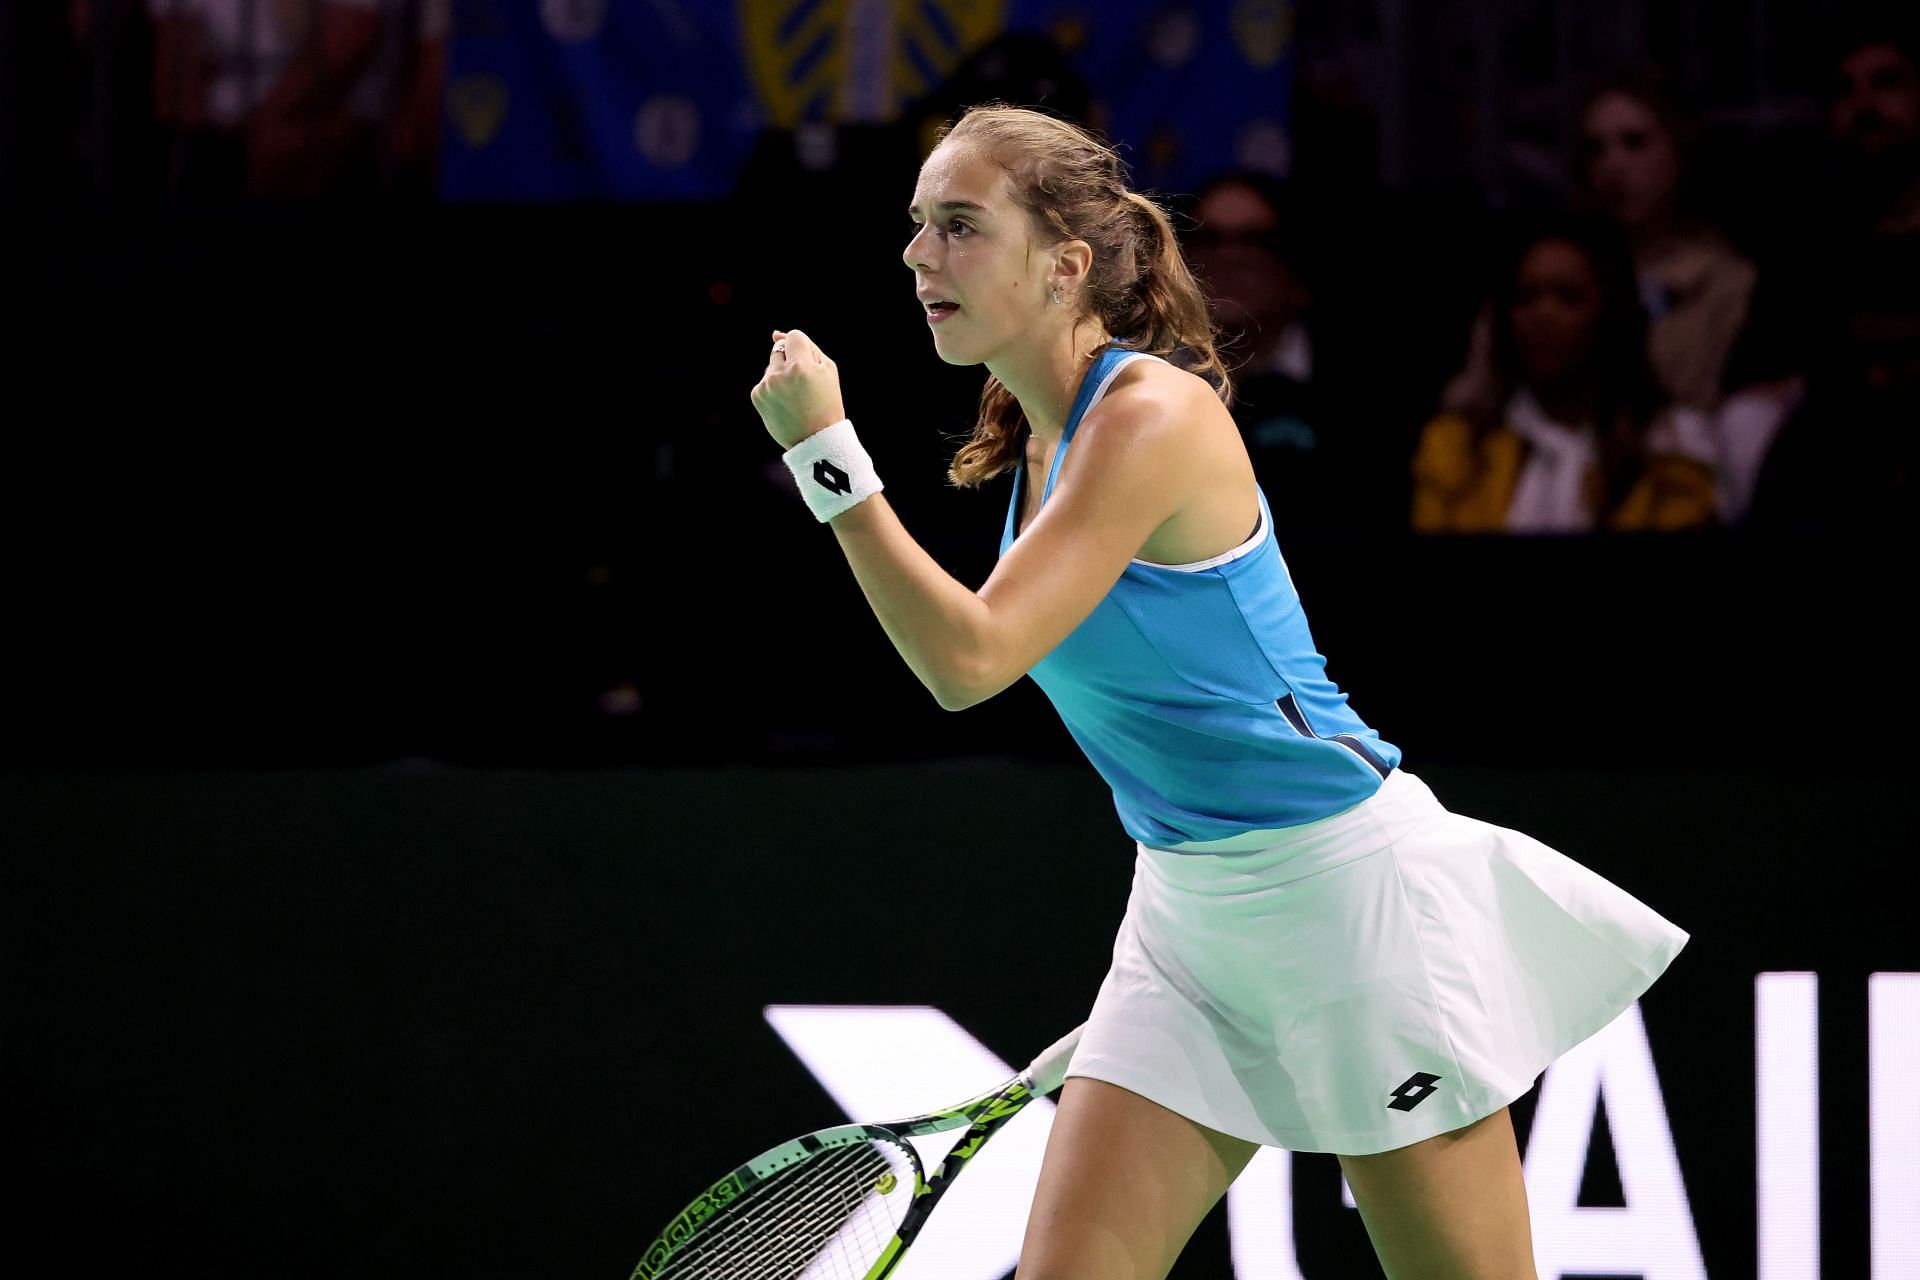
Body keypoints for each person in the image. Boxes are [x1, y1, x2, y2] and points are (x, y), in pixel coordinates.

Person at [748, 104, 1688, 1279]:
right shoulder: (1037, 437)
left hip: (1350, 909)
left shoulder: (1149, 416)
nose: (918, 254)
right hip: (1190, 917)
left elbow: (969, 660)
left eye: (959, 226)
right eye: (916, 226)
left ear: (1066, 263)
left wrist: (825, 457)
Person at [1412, 214, 1719, 533]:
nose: (1542, 316)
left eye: (1568, 297)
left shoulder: (1670, 452)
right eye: (1526, 297)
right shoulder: (1455, 446)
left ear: (1611, 315)